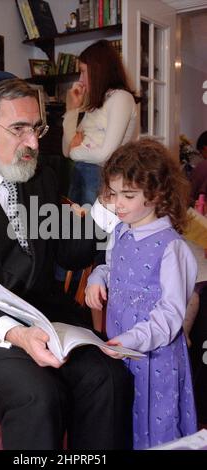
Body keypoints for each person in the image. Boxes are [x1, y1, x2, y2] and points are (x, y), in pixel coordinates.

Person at [0, 71, 133, 450]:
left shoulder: (37, 178)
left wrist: (110, 206)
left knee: (109, 375)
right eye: (19, 129)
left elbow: (68, 249)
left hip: (42, 318)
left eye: (37, 128)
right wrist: (16, 334)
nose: (32, 142)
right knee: (38, 395)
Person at [85, 138, 198, 449]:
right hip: (120, 346)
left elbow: (171, 315)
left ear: (156, 194)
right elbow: (112, 267)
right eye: (113, 194)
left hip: (155, 357)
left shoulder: (170, 247)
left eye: (128, 195)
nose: (117, 204)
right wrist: (97, 276)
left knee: (154, 425)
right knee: (124, 418)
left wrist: (135, 340)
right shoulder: (121, 230)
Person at [62, 39, 138, 206]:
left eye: (83, 72)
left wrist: (75, 151)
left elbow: (105, 154)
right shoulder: (94, 104)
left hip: (101, 175)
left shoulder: (121, 98)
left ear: (98, 71)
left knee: (91, 230)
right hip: (80, 172)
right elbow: (65, 151)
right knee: (73, 227)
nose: (80, 80)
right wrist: (72, 109)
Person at [190, 131, 207, 202]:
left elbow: (190, 193)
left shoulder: (203, 166)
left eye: (201, 152)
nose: (202, 156)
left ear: (205, 148)